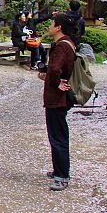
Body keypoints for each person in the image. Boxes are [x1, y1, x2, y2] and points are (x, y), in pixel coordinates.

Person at [38, 14, 77, 191]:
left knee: (57, 136)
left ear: (59, 27)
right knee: (58, 133)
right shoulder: (69, 43)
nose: (49, 26)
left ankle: (62, 175)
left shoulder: (62, 47)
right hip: (60, 97)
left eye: (52, 23)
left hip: (57, 98)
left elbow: (55, 69)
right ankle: (59, 170)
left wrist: (54, 82)